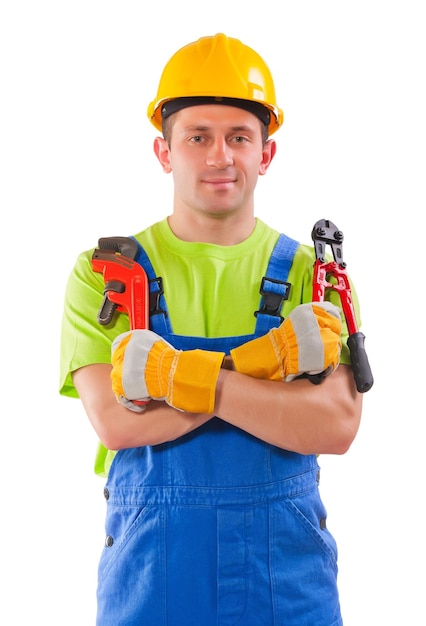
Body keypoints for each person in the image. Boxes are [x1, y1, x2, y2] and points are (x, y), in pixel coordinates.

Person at [60, 33, 363, 626]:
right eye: (197, 136)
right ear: (164, 151)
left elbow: (335, 424)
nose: (219, 156)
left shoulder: (314, 274)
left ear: (266, 154)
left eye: (239, 137)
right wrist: (270, 371)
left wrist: (170, 377)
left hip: (285, 572)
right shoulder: (106, 275)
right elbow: (119, 423)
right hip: (152, 569)